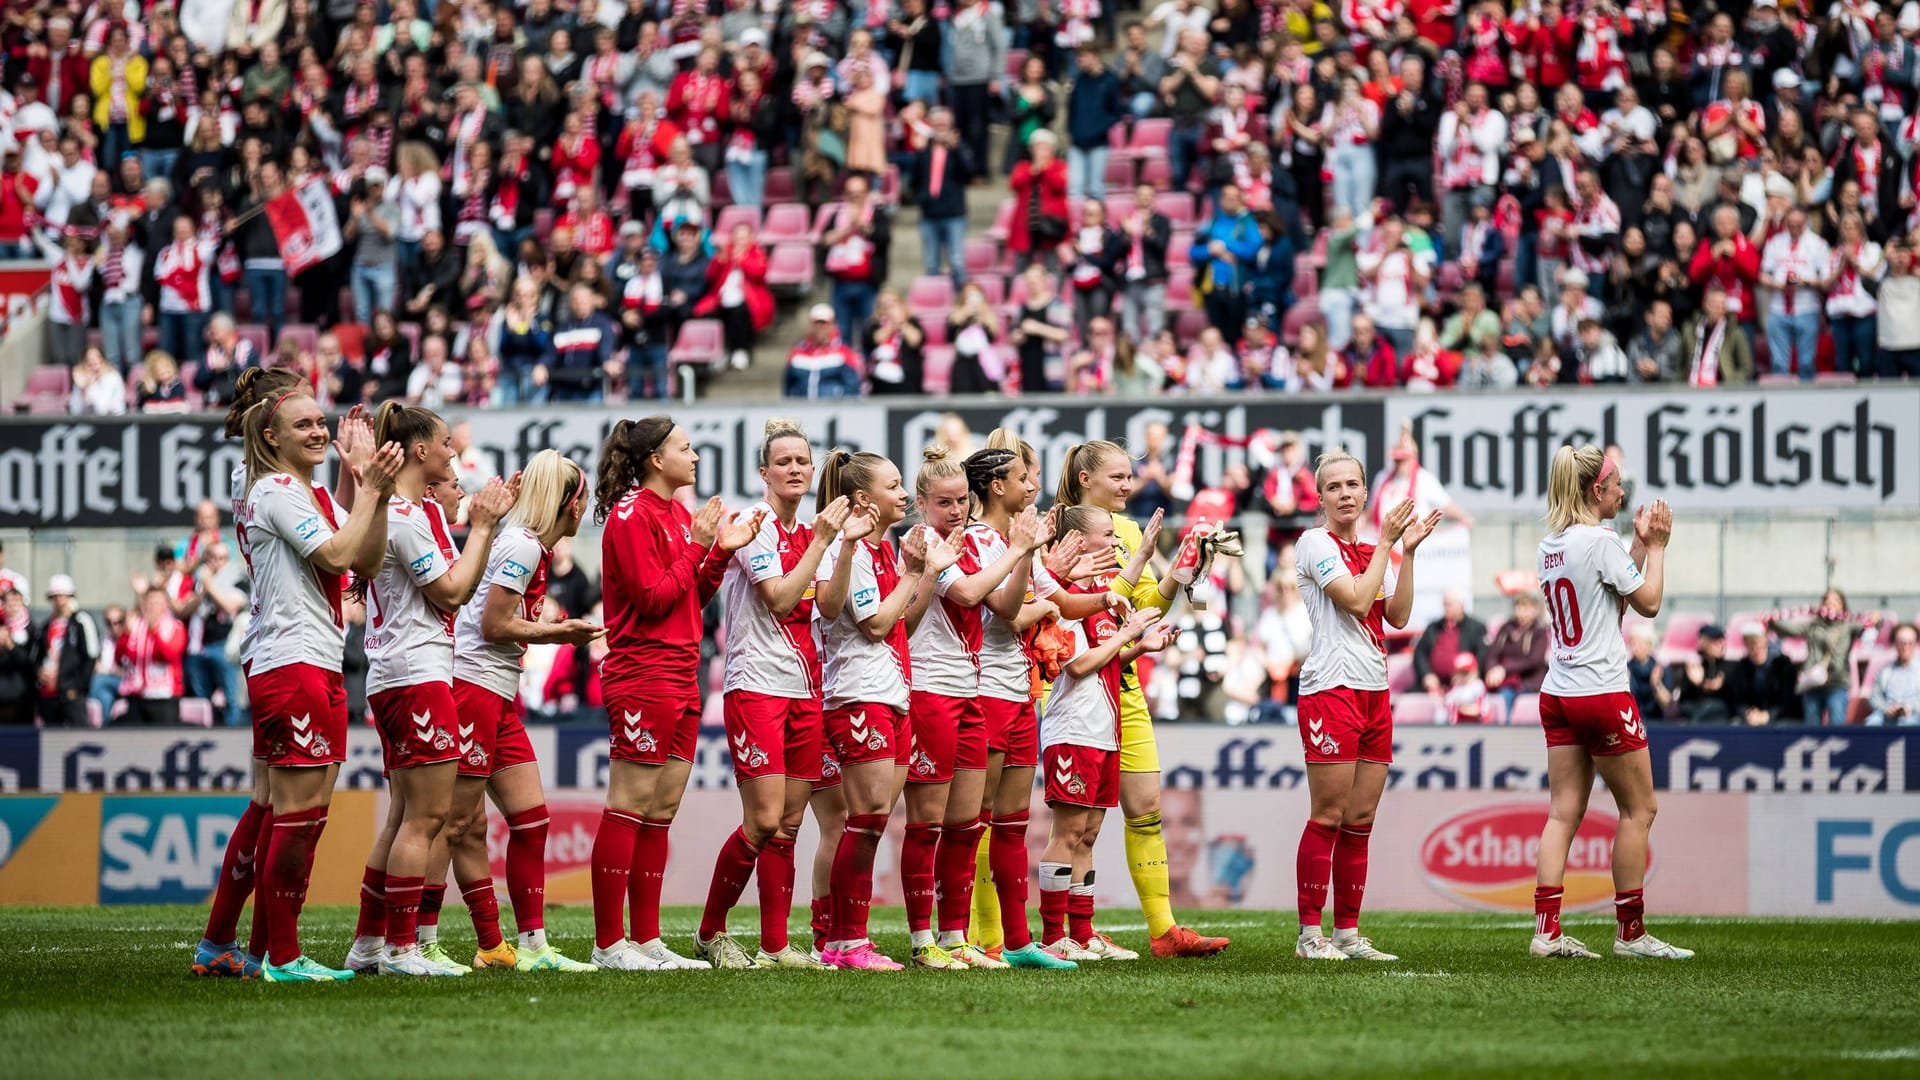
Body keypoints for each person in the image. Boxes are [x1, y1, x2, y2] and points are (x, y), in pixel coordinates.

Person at [228, 379, 402, 982]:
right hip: (290, 657)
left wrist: (363, 486)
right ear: (272, 437)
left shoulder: (310, 491)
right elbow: (334, 557)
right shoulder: (276, 489)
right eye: (303, 423)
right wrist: (368, 488)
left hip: (319, 658)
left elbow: (368, 562)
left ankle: (256, 953)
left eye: (321, 421)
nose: (319, 431)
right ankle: (281, 957)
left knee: (305, 814)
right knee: (295, 814)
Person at [340, 404, 514, 979]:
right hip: (417, 674)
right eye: (444, 442)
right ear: (420, 451)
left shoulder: (406, 511)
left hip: (395, 674)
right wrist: (484, 528)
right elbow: (454, 592)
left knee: (401, 819)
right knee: (428, 818)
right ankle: (400, 948)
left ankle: (369, 944)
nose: (451, 451)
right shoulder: (408, 516)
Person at [1052, 440, 1233, 958]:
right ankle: (1007, 934)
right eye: (1118, 477)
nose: (1129, 485)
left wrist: (1179, 570)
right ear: (1086, 480)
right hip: (1070, 687)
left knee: (1146, 808)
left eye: (1130, 476)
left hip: (1121, 683)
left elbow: (1141, 604)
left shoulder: (1129, 531)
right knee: (1047, 819)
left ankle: (1162, 930)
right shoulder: (1058, 527)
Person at [587, 416, 749, 971]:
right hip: (643, 671)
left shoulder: (677, 515)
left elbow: (688, 596)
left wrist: (718, 554)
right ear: (656, 459)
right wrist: (698, 546)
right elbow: (653, 599)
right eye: (685, 447)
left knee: (660, 812)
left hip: (681, 672)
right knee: (628, 805)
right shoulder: (631, 516)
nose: (695, 455)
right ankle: (609, 943)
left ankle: (647, 938)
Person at [693, 421, 851, 971]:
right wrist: (827, 541)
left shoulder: (812, 532)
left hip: (806, 688)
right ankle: (710, 932)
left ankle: (776, 945)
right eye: (783, 461)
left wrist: (844, 543)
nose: (794, 469)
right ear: (764, 473)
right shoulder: (753, 525)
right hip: (755, 684)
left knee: (787, 825)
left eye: (802, 461)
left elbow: (827, 607)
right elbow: (782, 600)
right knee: (762, 820)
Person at [442, 450, 602, 973]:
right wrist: (560, 633)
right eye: (582, 498)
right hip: (474, 687)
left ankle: (533, 947)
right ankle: (471, 943)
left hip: (497, 691)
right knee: (460, 822)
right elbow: (492, 625)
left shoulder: (525, 544)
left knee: (531, 820)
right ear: (569, 504)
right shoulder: (523, 545)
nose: (584, 509)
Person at [1531, 444, 1690, 960]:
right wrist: (1660, 548)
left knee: (1562, 814)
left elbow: (1608, 599)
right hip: (1600, 691)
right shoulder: (1599, 541)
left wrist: (1637, 550)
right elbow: (1646, 604)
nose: (1624, 491)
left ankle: (1547, 932)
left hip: (1559, 691)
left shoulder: (1551, 544)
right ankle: (1631, 933)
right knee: (1639, 809)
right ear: (1594, 491)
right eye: (1617, 483)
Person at [900, 447, 1048, 969]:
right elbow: (964, 594)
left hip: (968, 688)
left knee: (965, 825)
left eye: (962, 499)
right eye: (944, 502)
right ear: (921, 504)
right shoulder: (921, 543)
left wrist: (1023, 553)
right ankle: (921, 941)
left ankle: (956, 936)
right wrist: (1017, 551)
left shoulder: (978, 541)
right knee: (926, 823)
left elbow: (1006, 608)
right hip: (929, 689)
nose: (957, 509)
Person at [1292, 449, 1440, 962]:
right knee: (1328, 816)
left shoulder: (1374, 549)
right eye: (1334, 487)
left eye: (1353, 484)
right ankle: (1310, 935)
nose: (1346, 493)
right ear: (1321, 497)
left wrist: (1410, 553)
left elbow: (1396, 616)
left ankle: (1347, 936)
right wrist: (1386, 544)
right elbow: (1355, 600)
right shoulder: (1315, 543)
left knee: (1360, 819)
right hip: (1331, 689)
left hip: (1374, 690)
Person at [810, 451, 956, 969]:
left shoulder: (885, 553)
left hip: (891, 693)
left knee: (869, 823)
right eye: (894, 487)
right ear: (865, 500)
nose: (903, 495)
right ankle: (841, 941)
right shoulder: (847, 552)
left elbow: (901, 625)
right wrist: (914, 573)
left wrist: (926, 575)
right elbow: (872, 624)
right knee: (864, 822)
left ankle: (846, 938)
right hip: (859, 695)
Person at [1037, 504, 1180, 963]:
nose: (1116, 541)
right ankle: (1052, 934)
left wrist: (1141, 645)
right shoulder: (1062, 595)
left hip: (1103, 728)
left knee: (1089, 834)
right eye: (1107, 534)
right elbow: (1075, 665)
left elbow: (1104, 659)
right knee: (1067, 832)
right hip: (1073, 728)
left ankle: (1081, 934)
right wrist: (1128, 635)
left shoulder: (1099, 591)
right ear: (1078, 541)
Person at [1767, 590, 1875, 728]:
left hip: (1837, 683)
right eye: (1827, 601)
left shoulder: (1848, 625)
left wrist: (1875, 621)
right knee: (1812, 728)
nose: (1831, 604)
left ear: (1843, 605)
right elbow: (1791, 630)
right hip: (1812, 683)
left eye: (1835, 601)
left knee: (1837, 727)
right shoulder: (1814, 624)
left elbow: (1867, 630)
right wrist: (1772, 622)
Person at [34, 575, 99, 727]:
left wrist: (77, 687)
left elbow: (91, 656)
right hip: (49, 693)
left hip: (71, 693)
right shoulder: (46, 626)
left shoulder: (81, 621)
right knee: (51, 740)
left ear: (70, 596)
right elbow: (38, 657)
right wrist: (39, 671)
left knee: (78, 734)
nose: (59, 600)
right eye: (55, 596)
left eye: (62, 595)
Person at [1412, 590, 1487, 695]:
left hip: (1464, 684)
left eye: (1449, 604)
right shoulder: (1433, 628)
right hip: (1433, 684)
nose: (1445, 608)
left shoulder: (1476, 628)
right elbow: (1420, 654)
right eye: (1444, 604)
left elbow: (1482, 655)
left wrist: (1466, 676)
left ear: (1461, 606)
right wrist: (1427, 674)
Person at [1865, 624, 1919, 727]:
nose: (1905, 647)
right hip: (1887, 715)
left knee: (1910, 725)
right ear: (1895, 643)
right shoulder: (1885, 670)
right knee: (1872, 723)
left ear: (1915, 644)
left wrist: (1910, 708)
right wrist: (1886, 709)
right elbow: (1874, 697)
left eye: (1909, 643)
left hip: (1914, 715)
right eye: (1901, 643)